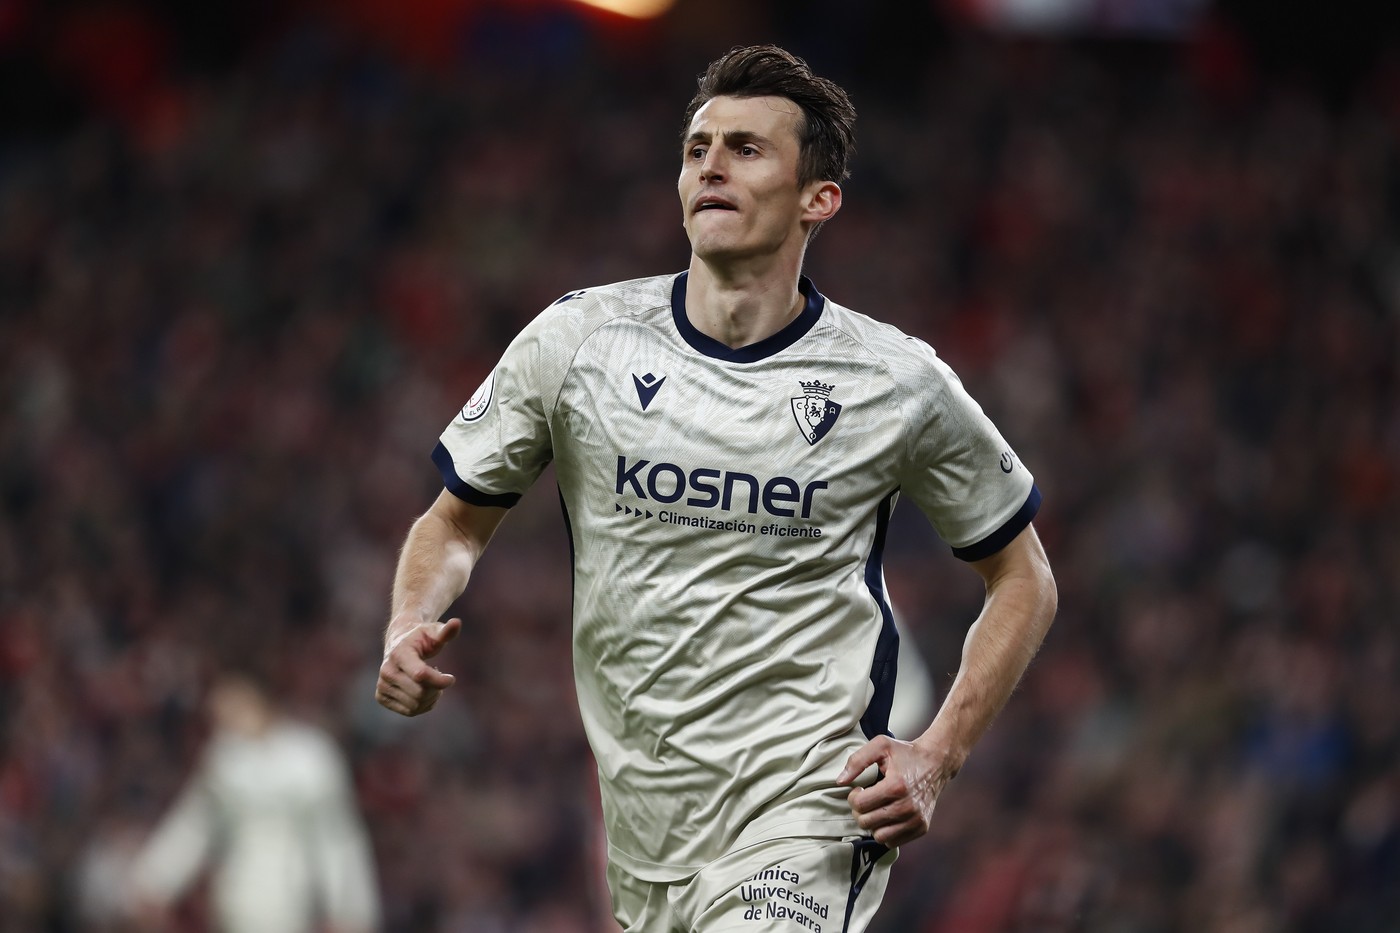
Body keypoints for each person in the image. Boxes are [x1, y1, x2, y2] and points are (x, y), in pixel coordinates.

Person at [375, 44, 1057, 932]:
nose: (711, 167)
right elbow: (455, 523)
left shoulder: (895, 381)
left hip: (811, 814)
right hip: (647, 831)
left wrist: (939, 752)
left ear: (820, 199)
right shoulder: (579, 341)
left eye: (746, 148)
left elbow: (1025, 576)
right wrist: (404, 622)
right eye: (698, 148)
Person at [131, 670, 382, 933]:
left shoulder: (311, 759)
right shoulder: (224, 760)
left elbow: (337, 840)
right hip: (236, 902)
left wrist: (350, 910)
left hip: (293, 904)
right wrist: (155, 880)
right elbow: (192, 825)